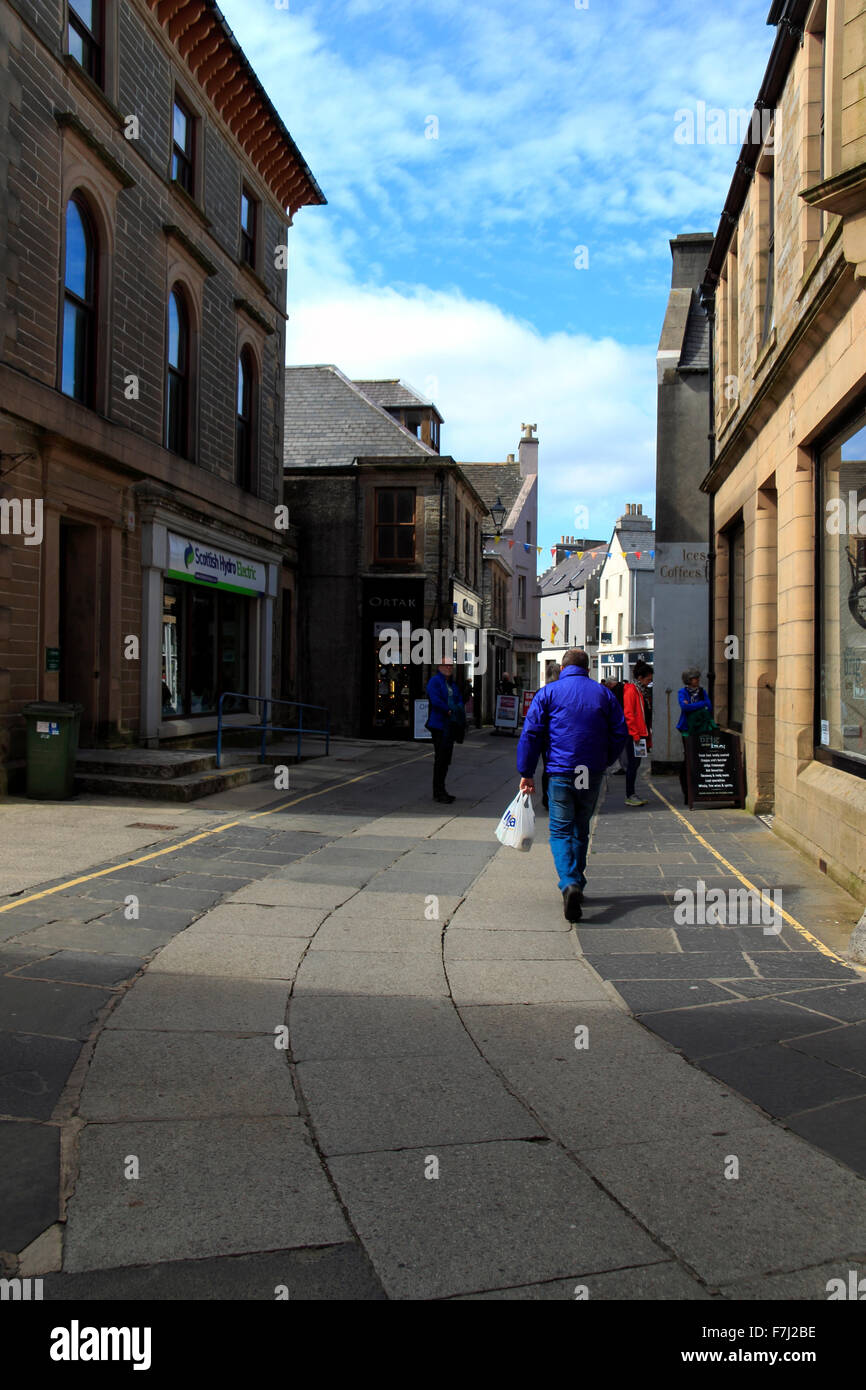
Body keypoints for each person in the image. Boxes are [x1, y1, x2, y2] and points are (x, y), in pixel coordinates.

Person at [517, 648, 628, 922]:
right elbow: (620, 731)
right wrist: (606, 759)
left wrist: (527, 771)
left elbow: (531, 734)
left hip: (561, 771)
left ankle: (569, 882)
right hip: (590, 771)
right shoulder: (604, 694)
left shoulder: (548, 693)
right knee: (581, 828)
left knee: (560, 830)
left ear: (563, 668)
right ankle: (577, 879)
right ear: (588, 669)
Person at [425, 660, 465, 803]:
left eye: (450, 665)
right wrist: (448, 710)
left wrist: (458, 708)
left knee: (446, 759)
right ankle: (438, 792)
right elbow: (435, 700)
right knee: (440, 759)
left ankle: (442, 789)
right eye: (445, 665)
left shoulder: (452, 684)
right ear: (439, 667)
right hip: (439, 725)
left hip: (451, 725)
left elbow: (459, 699)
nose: (449, 667)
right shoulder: (435, 682)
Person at [677, 667, 714, 802]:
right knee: (688, 758)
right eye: (694, 678)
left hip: (701, 729)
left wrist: (698, 704)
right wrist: (701, 704)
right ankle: (687, 792)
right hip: (687, 729)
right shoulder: (682, 692)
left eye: (697, 678)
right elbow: (685, 707)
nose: (697, 680)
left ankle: (699, 789)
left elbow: (709, 707)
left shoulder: (702, 692)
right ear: (688, 680)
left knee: (700, 758)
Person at [622, 660, 653, 806]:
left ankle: (632, 793)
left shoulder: (640, 691)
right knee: (633, 765)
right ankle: (630, 794)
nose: (649, 682)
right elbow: (629, 713)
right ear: (640, 678)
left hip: (640, 734)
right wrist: (635, 734)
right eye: (648, 679)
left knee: (636, 765)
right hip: (635, 736)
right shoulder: (631, 691)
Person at [540, 663, 561, 809]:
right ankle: (557, 797)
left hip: (544, 737)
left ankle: (546, 798)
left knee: (547, 767)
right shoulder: (563, 692)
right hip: (559, 737)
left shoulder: (542, 692)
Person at [601, 676, 626, 774]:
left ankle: (618, 766)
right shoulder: (623, 689)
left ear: (610, 684)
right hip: (622, 721)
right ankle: (622, 766)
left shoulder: (613, 693)